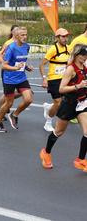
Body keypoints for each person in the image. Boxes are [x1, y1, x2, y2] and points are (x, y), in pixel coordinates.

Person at [39, 44, 87, 172]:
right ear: (76, 55)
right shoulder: (70, 69)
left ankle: (80, 160)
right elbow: (61, 89)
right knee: (58, 132)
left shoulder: (84, 67)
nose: (85, 57)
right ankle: (46, 153)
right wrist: (78, 86)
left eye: (86, 55)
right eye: (83, 55)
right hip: (69, 104)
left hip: (82, 104)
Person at [0, 27, 33, 133]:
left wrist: (27, 67)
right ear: (16, 36)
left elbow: (21, 61)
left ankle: (14, 115)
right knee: (8, 103)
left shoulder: (27, 47)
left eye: (26, 34)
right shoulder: (11, 48)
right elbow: (3, 66)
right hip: (9, 79)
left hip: (21, 78)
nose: (25, 37)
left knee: (29, 99)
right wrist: (15, 68)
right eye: (22, 35)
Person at [39, 28, 70, 132]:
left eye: (66, 36)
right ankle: (48, 122)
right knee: (58, 102)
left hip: (65, 79)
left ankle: (49, 107)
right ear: (57, 38)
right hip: (53, 79)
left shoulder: (68, 49)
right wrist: (44, 79)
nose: (65, 38)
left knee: (64, 102)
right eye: (63, 36)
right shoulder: (53, 49)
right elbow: (42, 65)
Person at [0, 25, 19, 120]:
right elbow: (0, 57)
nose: (18, 32)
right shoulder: (8, 43)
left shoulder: (21, 43)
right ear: (12, 32)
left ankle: (2, 109)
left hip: (18, 73)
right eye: (16, 30)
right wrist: (6, 64)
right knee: (7, 94)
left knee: (20, 92)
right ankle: (0, 110)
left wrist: (25, 66)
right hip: (8, 72)